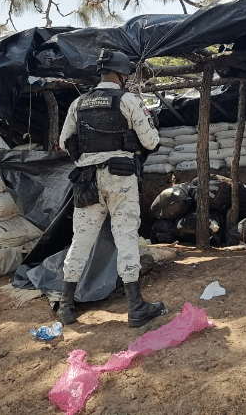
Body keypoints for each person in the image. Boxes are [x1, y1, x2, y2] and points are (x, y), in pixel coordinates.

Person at [58, 48, 167, 328]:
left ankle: (66, 307)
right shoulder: (128, 100)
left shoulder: (79, 103)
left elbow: (64, 142)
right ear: (121, 75)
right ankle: (136, 308)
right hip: (121, 178)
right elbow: (152, 142)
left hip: (86, 181)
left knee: (80, 241)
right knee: (126, 238)